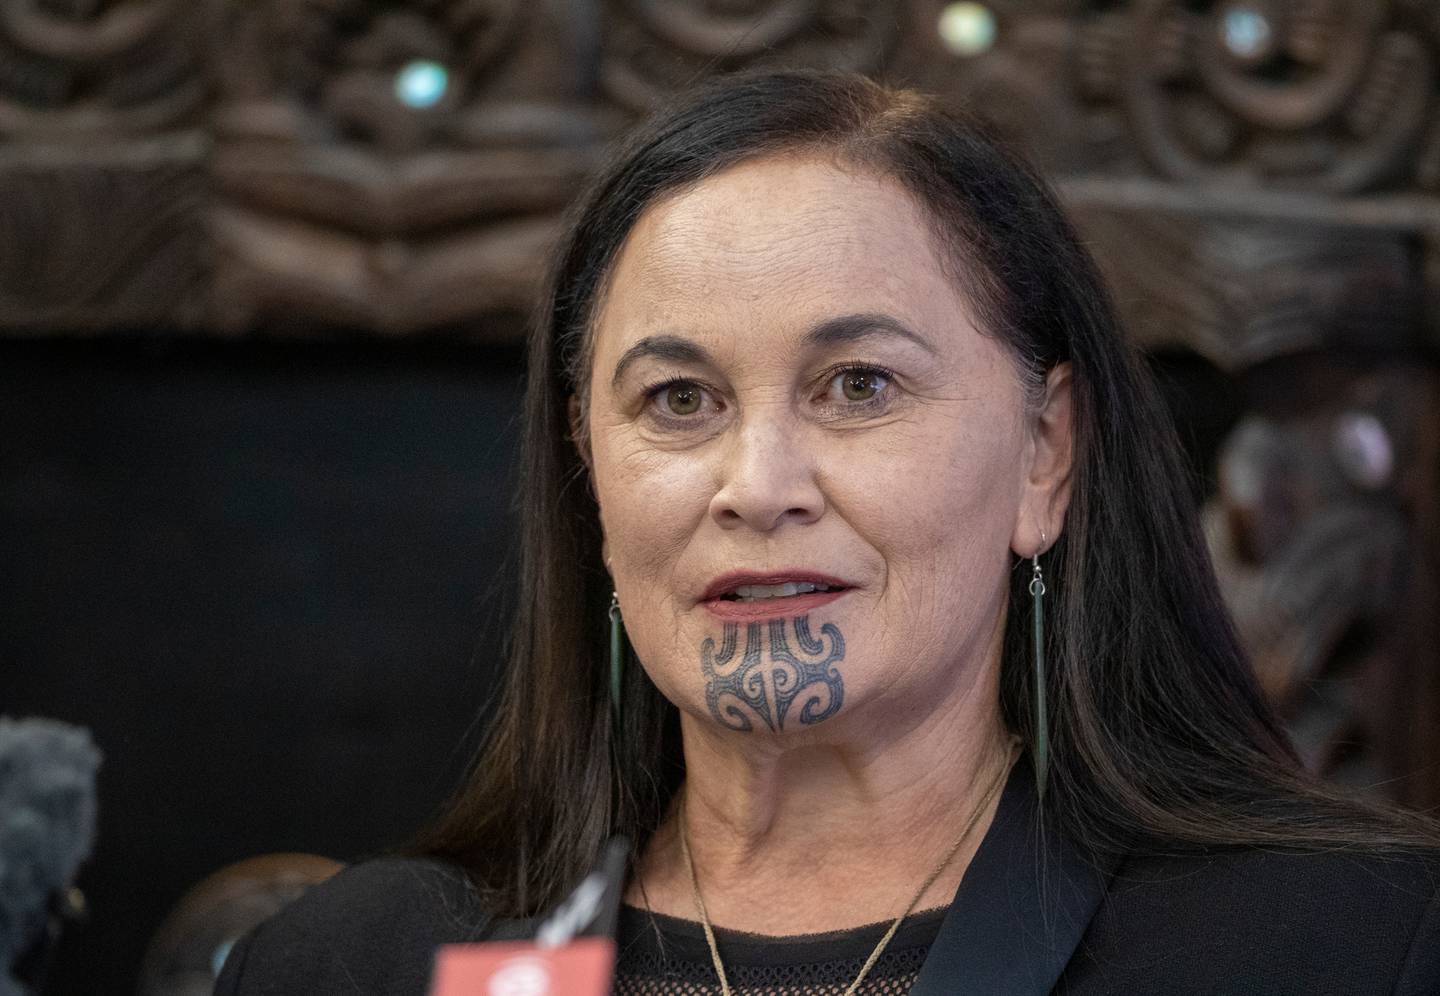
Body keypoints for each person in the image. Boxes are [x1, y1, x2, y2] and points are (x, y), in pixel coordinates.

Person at [216, 70, 1440, 995]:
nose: (758, 486)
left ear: (1044, 454)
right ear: (588, 479)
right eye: (678, 401)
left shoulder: (1351, 940)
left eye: (857, 385)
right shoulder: (354, 962)